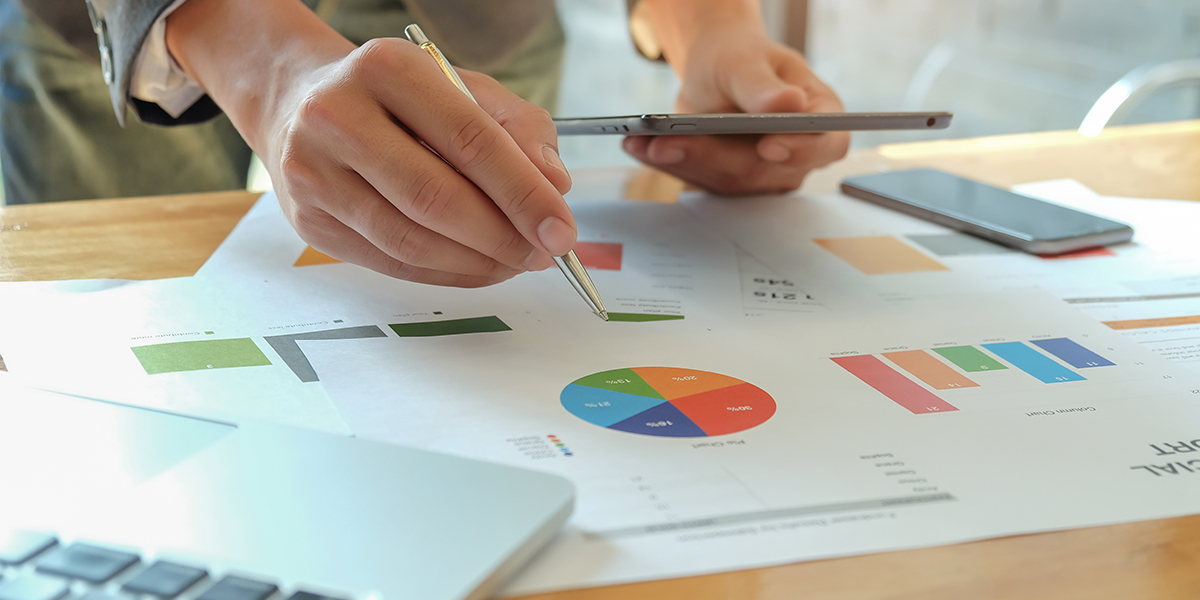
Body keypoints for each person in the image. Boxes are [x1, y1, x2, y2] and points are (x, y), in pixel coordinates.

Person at [3, 0, 848, 288]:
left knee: (469, 280)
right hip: (140, 27)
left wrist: (710, 33)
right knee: (142, 344)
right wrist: (261, 62)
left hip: (472, 19)